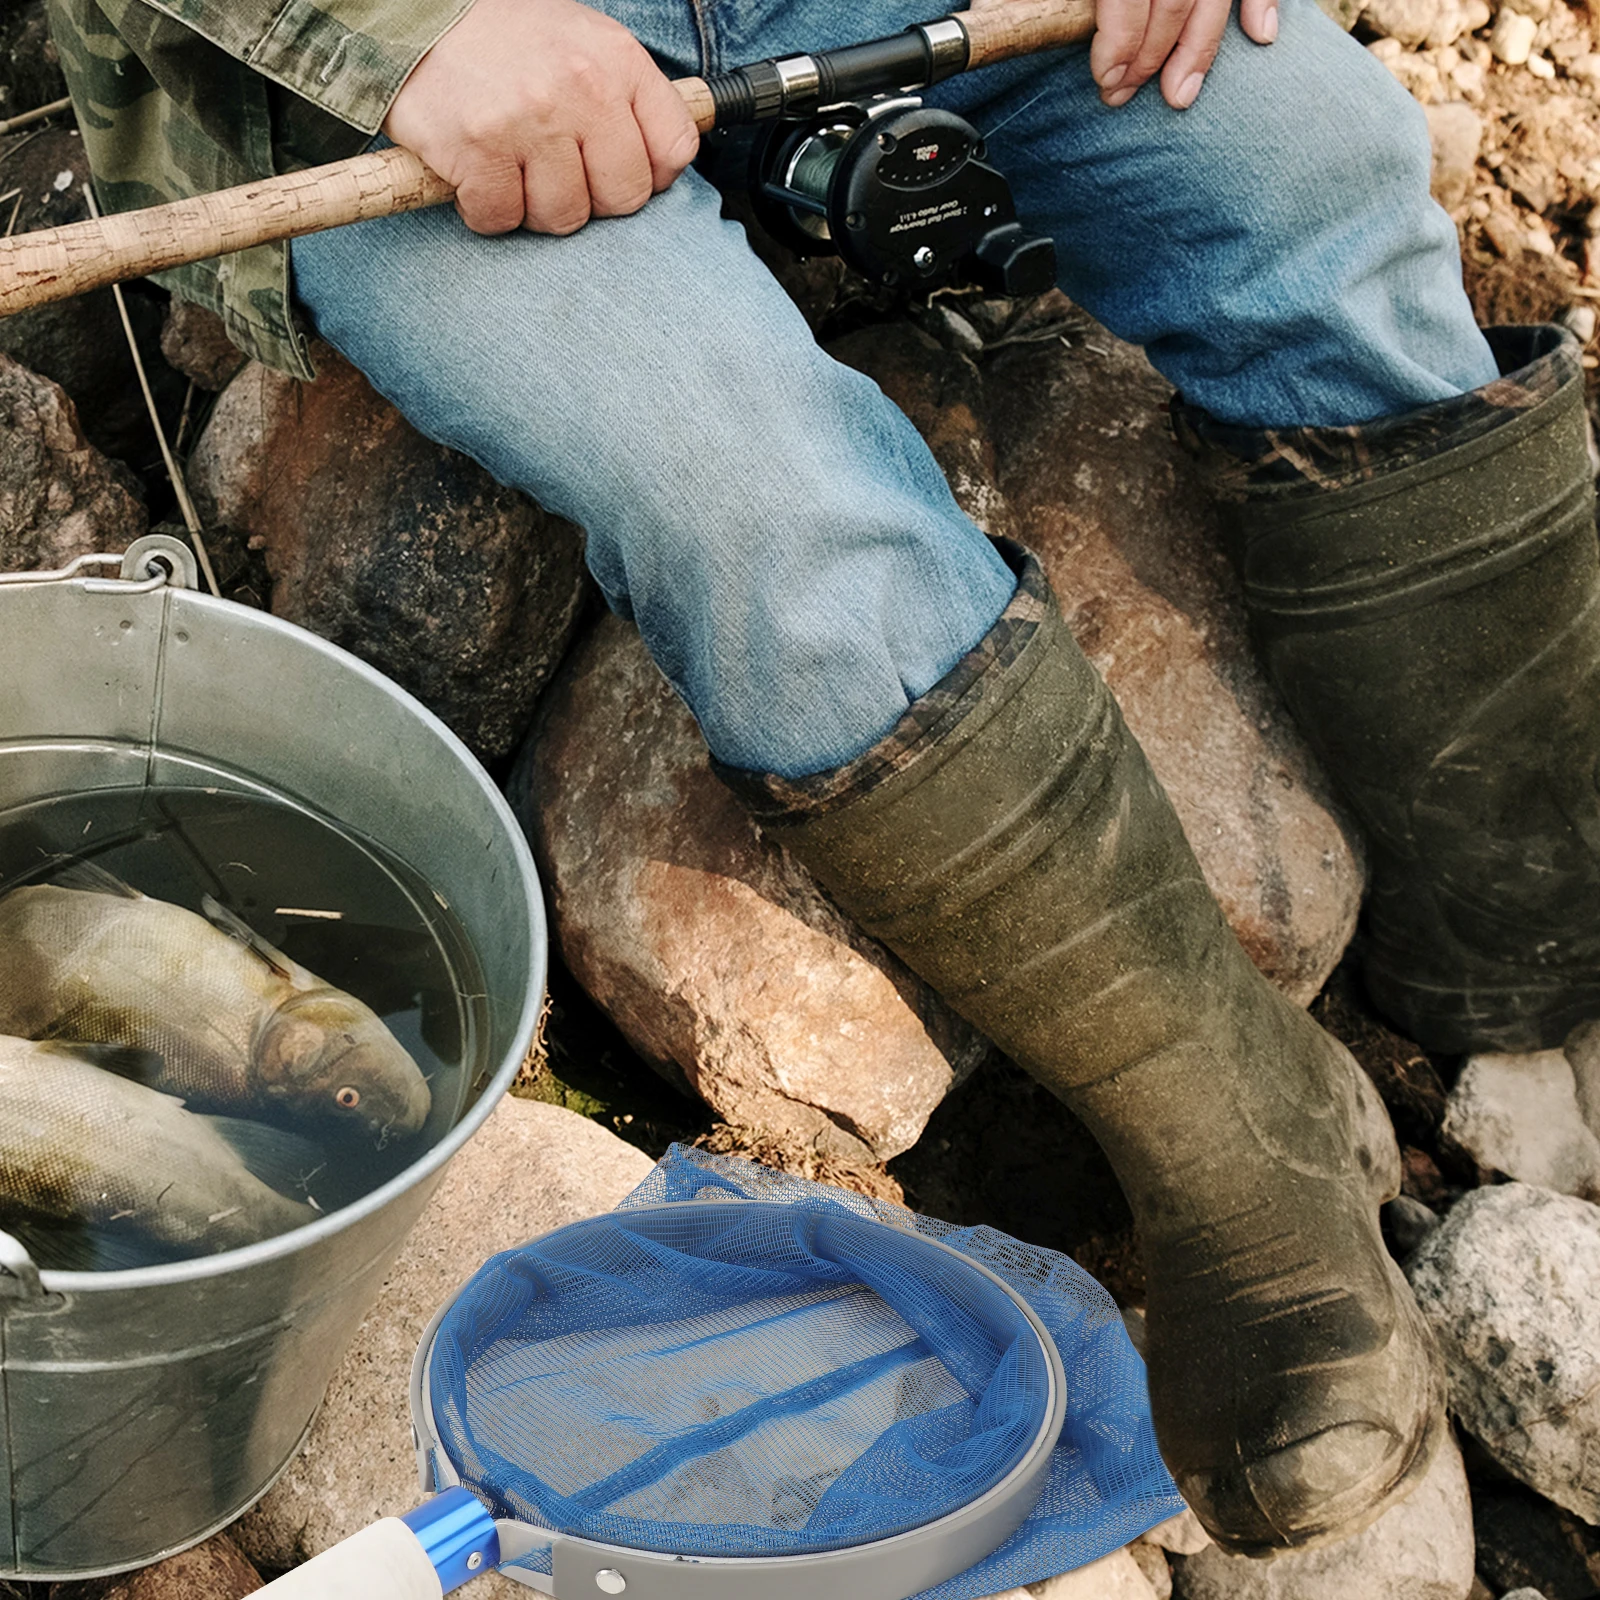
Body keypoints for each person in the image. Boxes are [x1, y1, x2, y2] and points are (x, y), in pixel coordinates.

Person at [46, 0, 1597, 1557]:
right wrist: (400, 40)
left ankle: (1527, 966)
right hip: (436, 70)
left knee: (1316, 168)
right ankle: (1239, 1155)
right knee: (760, 505)